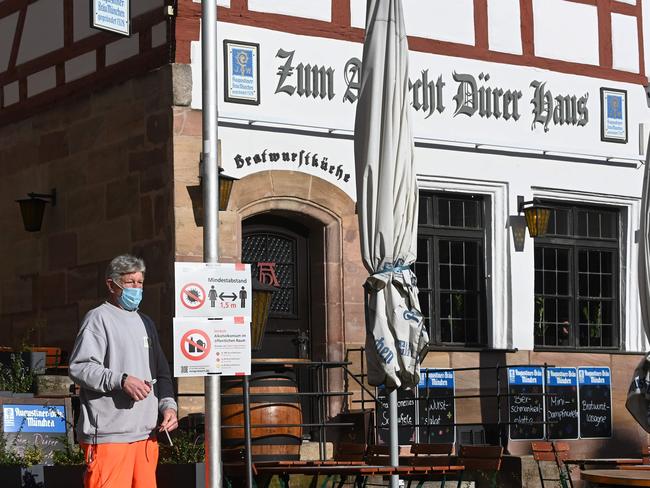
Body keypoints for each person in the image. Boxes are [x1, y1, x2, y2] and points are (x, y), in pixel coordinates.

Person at [69, 254, 178, 488]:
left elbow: (161, 372)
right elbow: (79, 367)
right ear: (112, 284)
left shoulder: (146, 322)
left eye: (140, 282)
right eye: (130, 282)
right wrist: (121, 380)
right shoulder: (98, 319)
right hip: (110, 437)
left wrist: (168, 407)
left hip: (146, 437)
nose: (137, 288)